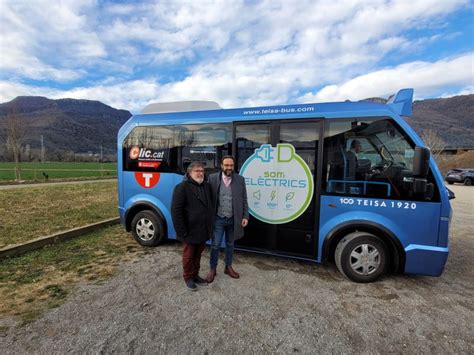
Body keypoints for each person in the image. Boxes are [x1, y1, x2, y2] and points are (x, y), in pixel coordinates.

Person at [206, 155, 249, 283]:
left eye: (231, 165)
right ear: (221, 166)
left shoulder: (240, 180)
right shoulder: (212, 178)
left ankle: (228, 267)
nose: (229, 168)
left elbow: (244, 199)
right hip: (218, 218)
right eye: (226, 165)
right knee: (215, 245)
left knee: (230, 244)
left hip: (233, 219)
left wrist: (245, 216)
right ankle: (212, 269)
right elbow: (207, 198)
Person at [171, 161, 213, 291]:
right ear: (189, 173)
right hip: (189, 231)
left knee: (198, 254)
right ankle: (188, 277)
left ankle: (195, 275)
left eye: (202, 170)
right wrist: (182, 231)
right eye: (197, 171)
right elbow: (176, 210)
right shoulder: (182, 187)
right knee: (188, 256)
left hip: (203, 229)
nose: (200, 173)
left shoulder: (206, 186)